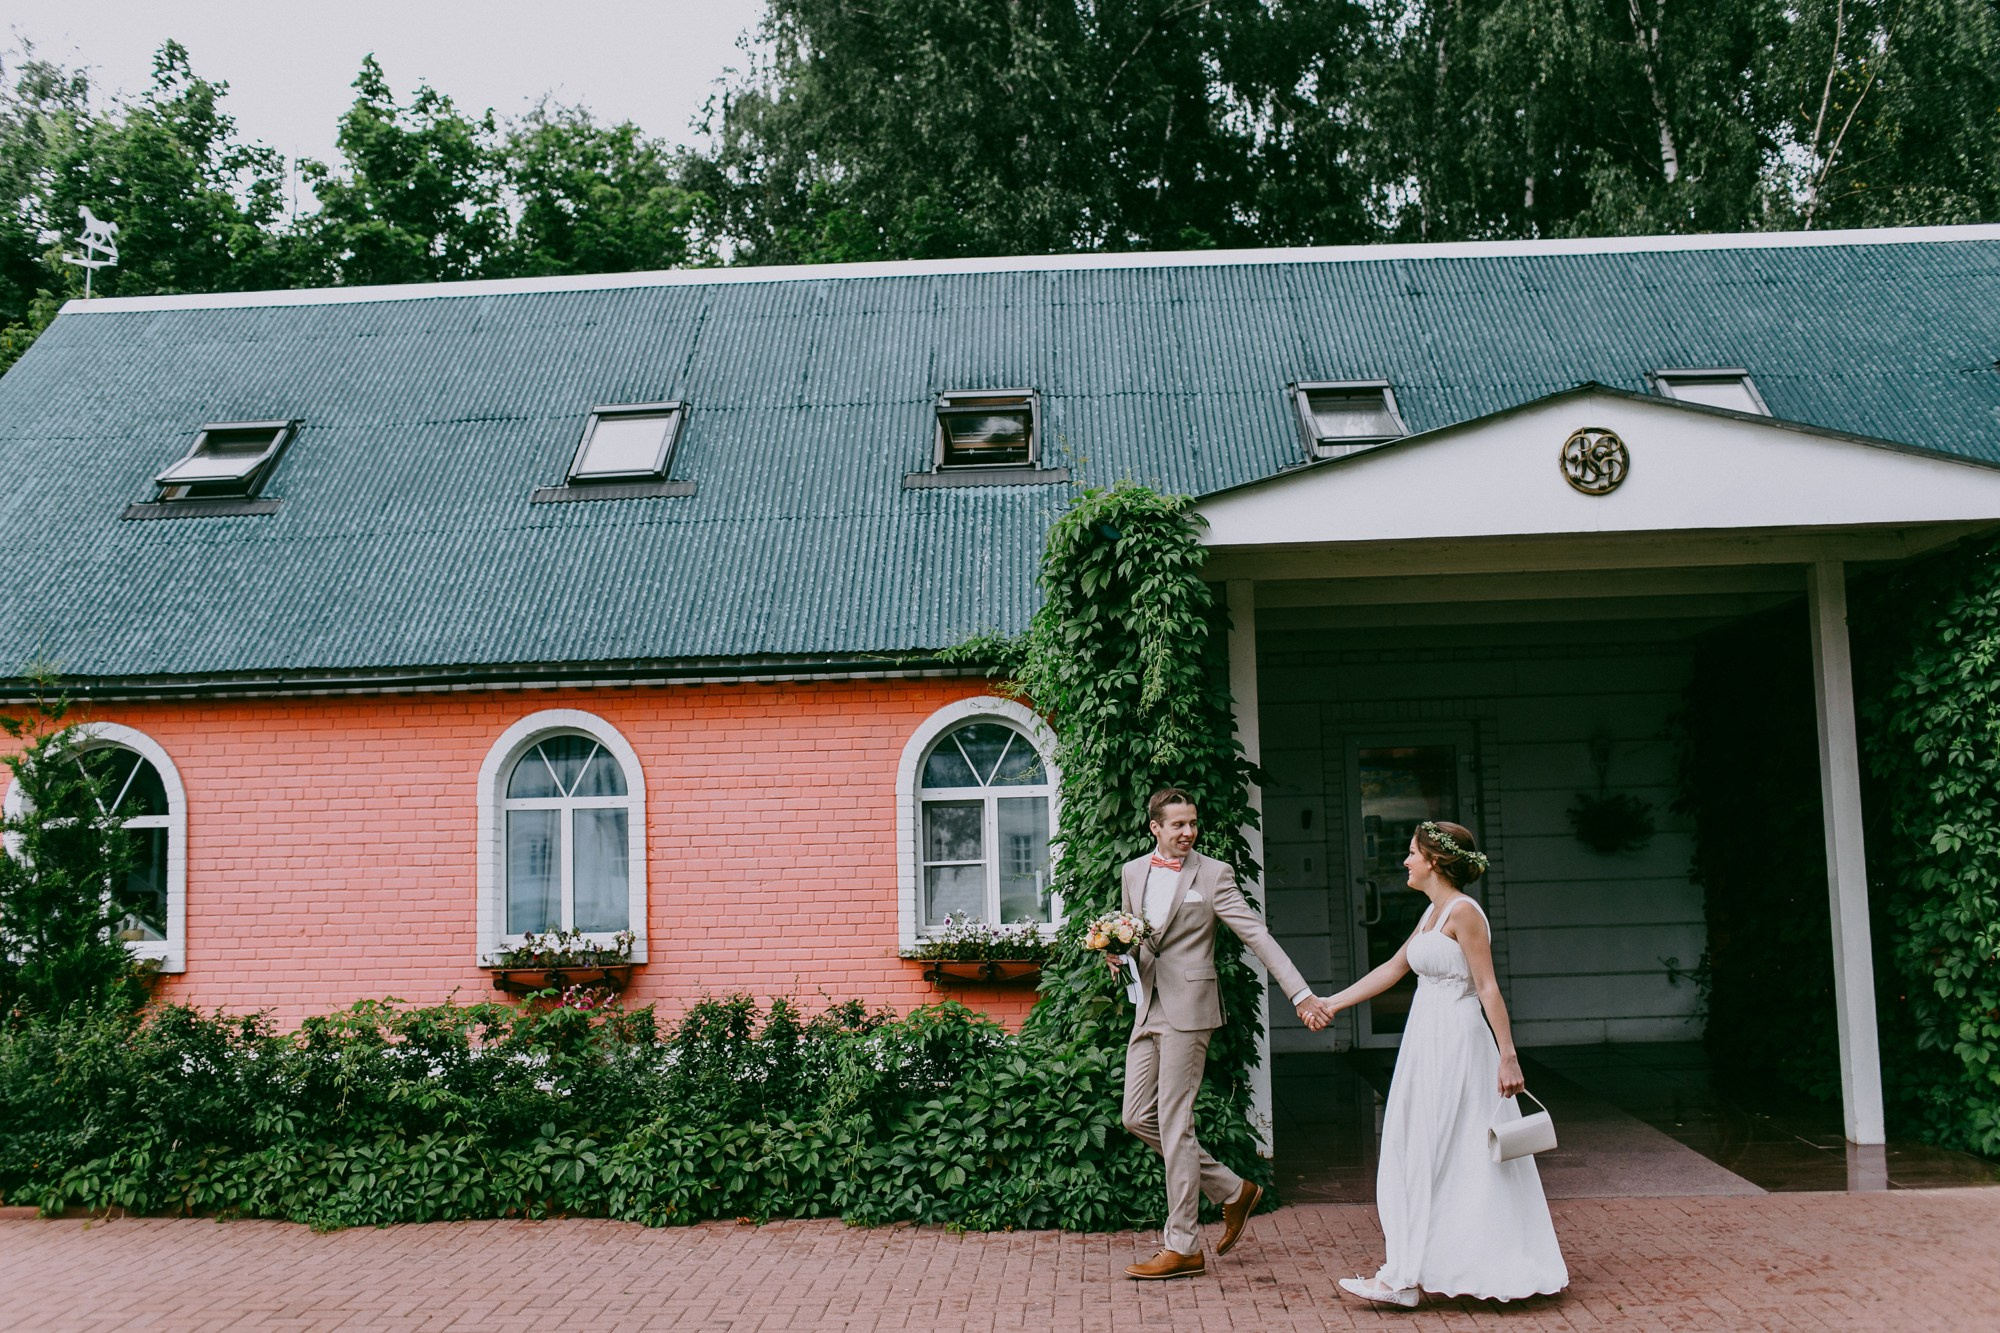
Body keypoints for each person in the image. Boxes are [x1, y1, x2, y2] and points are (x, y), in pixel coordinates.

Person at [1305, 819, 1567, 1307]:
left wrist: (1508, 1057)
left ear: (1434, 861)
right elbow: (1393, 968)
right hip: (1425, 1042)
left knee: (1455, 1152)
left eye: (1410, 853)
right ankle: (1405, 1271)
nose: (1404, 861)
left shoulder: (1464, 913)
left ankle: (1416, 1275)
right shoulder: (1431, 913)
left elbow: (1487, 987)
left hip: (1459, 1044)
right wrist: (1331, 1002)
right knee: (1414, 1147)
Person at [1114, 788, 1331, 1280]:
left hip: (1190, 1011)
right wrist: (1117, 955)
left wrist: (1300, 994)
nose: (1188, 832)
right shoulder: (1132, 872)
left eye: (1192, 823)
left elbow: (1256, 935)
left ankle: (1184, 1245)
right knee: (1135, 1117)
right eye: (1178, 825)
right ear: (1156, 828)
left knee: (1174, 1122)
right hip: (1147, 1008)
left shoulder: (1213, 875)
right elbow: (1134, 936)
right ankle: (1233, 1190)